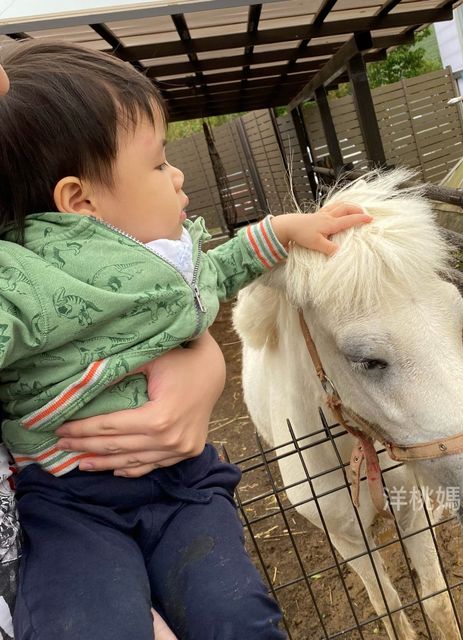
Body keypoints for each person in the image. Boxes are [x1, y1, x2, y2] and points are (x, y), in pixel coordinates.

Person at [0, 39, 371, 640]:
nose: (178, 177)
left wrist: (280, 230)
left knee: (237, 614)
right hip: (71, 501)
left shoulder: (174, 256)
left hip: (183, 484)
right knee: (92, 625)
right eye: (157, 163)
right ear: (80, 201)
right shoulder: (25, 276)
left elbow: (219, 272)